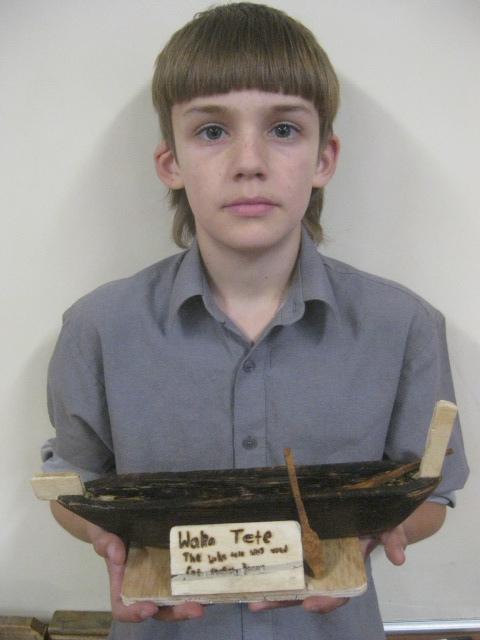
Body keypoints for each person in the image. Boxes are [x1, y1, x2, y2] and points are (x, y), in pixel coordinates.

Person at [41, 3, 469, 639]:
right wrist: (106, 535)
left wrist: (380, 529)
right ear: (171, 162)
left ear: (324, 158)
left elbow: (432, 493)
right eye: (212, 130)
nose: (249, 161)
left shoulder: (404, 326)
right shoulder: (97, 328)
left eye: (284, 129)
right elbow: (68, 481)